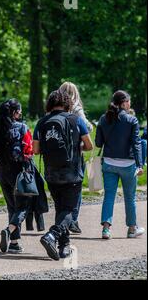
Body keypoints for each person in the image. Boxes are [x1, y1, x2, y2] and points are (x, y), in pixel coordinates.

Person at [33, 90, 93, 260]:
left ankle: (63, 246)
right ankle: (51, 235)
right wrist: (75, 146)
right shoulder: (76, 120)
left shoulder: (42, 122)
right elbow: (89, 146)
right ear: (67, 103)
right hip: (72, 173)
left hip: (51, 173)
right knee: (69, 210)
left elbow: (36, 150)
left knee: (61, 208)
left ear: (50, 104)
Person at [0, 99, 48, 253]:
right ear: (15, 113)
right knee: (24, 205)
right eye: (19, 111)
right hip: (20, 172)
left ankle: (15, 243)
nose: (21, 113)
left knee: (12, 206)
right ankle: (9, 230)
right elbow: (28, 151)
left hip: (2, 171)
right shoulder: (22, 128)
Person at [95, 90, 145, 240]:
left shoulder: (104, 119)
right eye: (129, 101)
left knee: (109, 196)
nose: (130, 104)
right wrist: (140, 164)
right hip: (128, 165)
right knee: (130, 197)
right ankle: (131, 229)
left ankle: (106, 230)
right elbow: (136, 144)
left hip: (109, 163)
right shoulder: (131, 120)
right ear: (124, 103)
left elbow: (98, 143)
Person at [58, 82, 94, 234]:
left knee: (60, 187)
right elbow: (88, 127)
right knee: (76, 187)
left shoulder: (54, 109)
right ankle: (73, 218)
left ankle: (62, 218)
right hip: (76, 152)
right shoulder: (77, 110)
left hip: (58, 153)